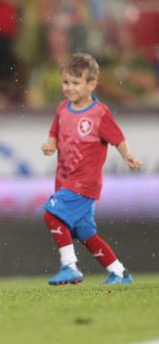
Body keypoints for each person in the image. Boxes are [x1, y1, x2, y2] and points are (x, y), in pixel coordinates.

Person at [41, 53, 142, 285]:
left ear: (91, 85)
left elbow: (117, 138)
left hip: (85, 183)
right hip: (65, 180)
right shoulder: (62, 109)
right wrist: (50, 145)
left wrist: (128, 156)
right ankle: (119, 272)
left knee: (52, 215)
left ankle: (69, 266)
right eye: (66, 82)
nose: (69, 87)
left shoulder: (99, 114)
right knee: (85, 233)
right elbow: (55, 132)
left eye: (76, 83)